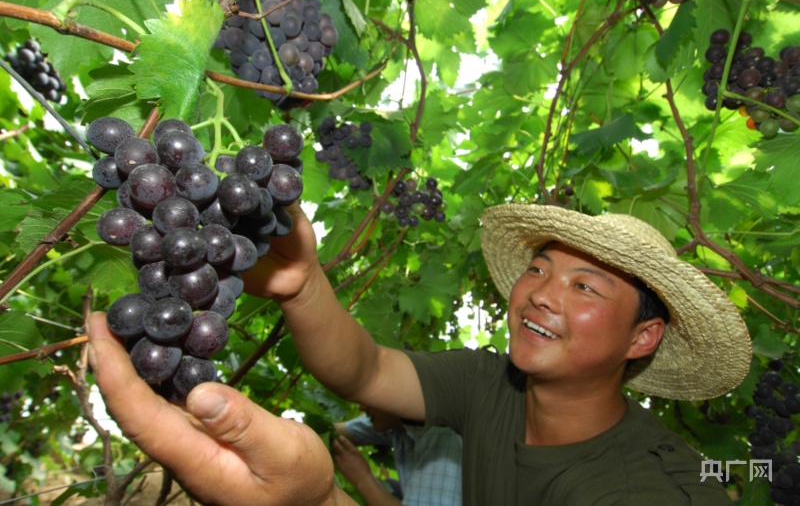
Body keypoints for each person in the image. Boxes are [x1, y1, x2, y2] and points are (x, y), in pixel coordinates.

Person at [87, 203, 752, 505]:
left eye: (584, 286)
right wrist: (302, 285)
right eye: (541, 268)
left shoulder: (638, 491)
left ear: (642, 337)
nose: (543, 294)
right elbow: (367, 370)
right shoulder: (495, 384)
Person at [331, 406, 462, 506]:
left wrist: (362, 479)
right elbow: (339, 431)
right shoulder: (394, 423)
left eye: (364, 396)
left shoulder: (441, 433)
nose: (361, 407)